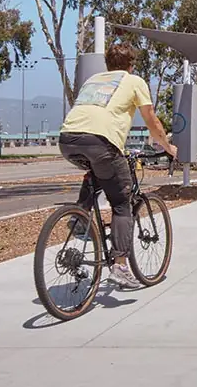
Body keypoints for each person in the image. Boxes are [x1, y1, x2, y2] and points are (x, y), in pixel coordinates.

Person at [59, 44, 176, 288]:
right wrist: (167, 147)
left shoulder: (94, 79)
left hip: (68, 139)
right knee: (122, 203)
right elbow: (151, 119)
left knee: (96, 175)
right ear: (131, 64)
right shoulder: (134, 81)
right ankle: (120, 266)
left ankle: (79, 219)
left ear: (108, 64)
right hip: (101, 142)